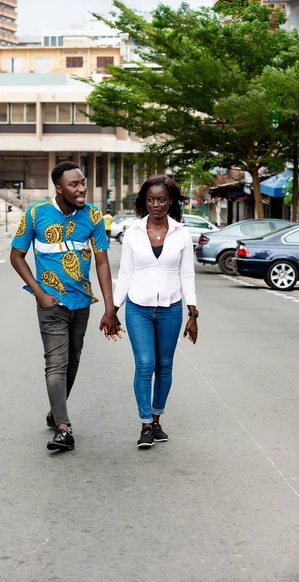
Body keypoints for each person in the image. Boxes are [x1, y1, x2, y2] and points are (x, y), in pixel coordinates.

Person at [10, 161, 122, 453]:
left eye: (82, 182)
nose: (81, 188)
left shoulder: (94, 216)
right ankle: (63, 427)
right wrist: (39, 293)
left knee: (72, 361)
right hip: (51, 304)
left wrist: (110, 309)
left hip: (81, 303)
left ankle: (54, 412)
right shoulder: (36, 213)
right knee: (56, 363)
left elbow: (101, 262)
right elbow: (17, 256)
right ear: (59, 188)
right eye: (74, 184)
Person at [112, 175, 198, 449]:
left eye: (161, 199)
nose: (156, 205)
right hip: (138, 307)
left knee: (164, 366)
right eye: (150, 199)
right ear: (144, 201)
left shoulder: (182, 233)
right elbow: (126, 272)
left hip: (171, 309)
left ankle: (157, 419)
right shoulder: (133, 232)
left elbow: (187, 275)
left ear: (170, 200)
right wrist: (113, 309)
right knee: (145, 364)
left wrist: (192, 314)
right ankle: (145, 424)